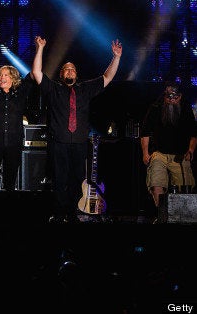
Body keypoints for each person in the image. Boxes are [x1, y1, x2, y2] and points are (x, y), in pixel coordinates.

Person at [31, 35, 122, 223]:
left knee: (76, 180)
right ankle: (58, 213)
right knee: (58, 180)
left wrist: (116, 57)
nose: (70, 71)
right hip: (59, 142)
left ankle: (72, 213)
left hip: (79, 142)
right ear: (61, 74)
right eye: (66, 69)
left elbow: (107, 77)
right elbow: (37, 72)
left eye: (73, 69)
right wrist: (40, 48)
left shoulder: (84, 89)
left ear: (76, 74)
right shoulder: (53, 89)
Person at [0, 37, 36, 191]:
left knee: (10, 181)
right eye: (1, 75)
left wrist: (39, 47)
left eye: (6, 75)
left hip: (14, 143)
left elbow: (35, 73)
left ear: (13, 78)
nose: (2, 77)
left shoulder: (20, 93)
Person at [141, 82, 197, 222]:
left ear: (180, 97)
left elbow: (194, 133)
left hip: (180, 154)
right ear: (164, 96)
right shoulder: (156, 107)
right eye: (169, 98)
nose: (172, 101)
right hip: (159, 153)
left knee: (183, 186)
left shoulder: (185, 108)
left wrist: (191, 150)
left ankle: (178, 218)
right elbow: (145, 132)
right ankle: (162, 215)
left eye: (175, 98)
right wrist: (145, 153)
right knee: (156, 182)